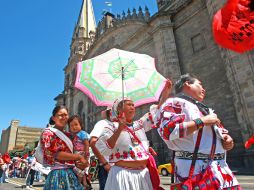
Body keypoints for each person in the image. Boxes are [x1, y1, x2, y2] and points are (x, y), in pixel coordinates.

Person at [154, 73, 241, 189]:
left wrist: (227, 141)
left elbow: (221, 135)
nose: (203, 89)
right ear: (187, 84)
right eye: (200, 84)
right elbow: (168, 131)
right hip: (195, 170)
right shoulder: (174, 103)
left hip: (220, 171)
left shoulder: (206, 110)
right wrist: (202, 121)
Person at [41, 105, 87, 190]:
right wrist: (78, 157)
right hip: (58, 174)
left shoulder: (70, 135)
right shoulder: (48, 133)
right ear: (53, 118)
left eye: (66, 115)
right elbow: (55, 154)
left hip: (72, 173)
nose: (64, 117)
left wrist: (83, 161)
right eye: (60, 115)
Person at [89, 108, 112, 190]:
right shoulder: (102, 123)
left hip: (119, 166)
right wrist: (105, 163)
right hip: (106, 166)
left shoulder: (118, 124)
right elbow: (92, 142)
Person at [68, 115, 90, 189]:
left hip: (82, 153)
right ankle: (83, 183)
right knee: (80, 170)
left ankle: (79, 184)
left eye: (76, 124)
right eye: (71, 126)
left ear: (81, 125)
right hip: (76, 154)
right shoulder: (73, 135)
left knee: (80, 169)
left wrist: (86, 154)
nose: (74, 127)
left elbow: (86, 143)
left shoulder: (82, 133)